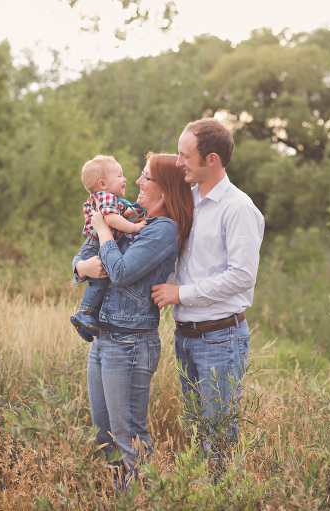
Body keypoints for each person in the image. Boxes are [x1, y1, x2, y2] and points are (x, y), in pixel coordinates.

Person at [73, 153, 193, 488]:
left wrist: (104, 232)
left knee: (129, 441)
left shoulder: (164, 229)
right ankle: (119, 498)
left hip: (130, 343)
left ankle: (143, 499)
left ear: (165, 190)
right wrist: (80, 268)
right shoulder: (130, 216)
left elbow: (122, 273)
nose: (138, 182)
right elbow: (86, 252)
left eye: (146, 177)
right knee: (105, 438)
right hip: (104, 339)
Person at [151, 118, 264, 460]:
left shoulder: (238, 209)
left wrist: (179, 293)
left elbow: (242, 276)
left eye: (185, 155)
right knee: (199, 430)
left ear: (211, 159)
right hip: (184, 335)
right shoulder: (188, 200)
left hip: (219, 338)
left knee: (218, 439)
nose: (179, 162)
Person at [70, 155, 147, 342]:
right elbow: (112, 219)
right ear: (103, 183)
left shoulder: (109, 198)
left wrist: (140, 208)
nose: (125, 179)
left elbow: (123, 213)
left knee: (102, 281)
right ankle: (85, 312)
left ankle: (89, 317)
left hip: (95, 244)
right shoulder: (105, 197)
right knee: (99, 282)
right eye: (119, 176)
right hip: (95, 245)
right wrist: (135, 227)